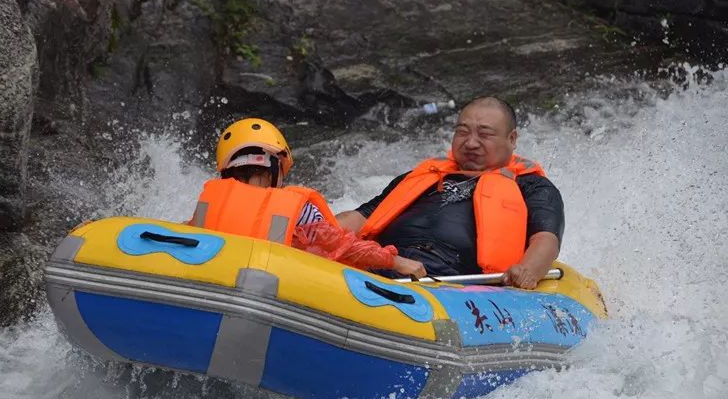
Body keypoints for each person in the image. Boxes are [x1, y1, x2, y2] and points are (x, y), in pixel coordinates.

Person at [336, 97, 564, 289]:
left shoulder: (533, 187)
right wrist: (315, 229)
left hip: (451, 281)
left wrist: (526, 271)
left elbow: (546, 239)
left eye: (484, 135)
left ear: (512, 139)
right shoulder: (422, 176)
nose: (471, 143)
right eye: (462, 132)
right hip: (385, 262)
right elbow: (361, 216)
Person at [187, 118, 427, 278]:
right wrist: (396, 262)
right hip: (270, 292)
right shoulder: (298, 211)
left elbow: (183, 235)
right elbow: (343, 247)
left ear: (226, 170)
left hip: (214, 282)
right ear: (275, 169)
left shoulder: (208, 203)